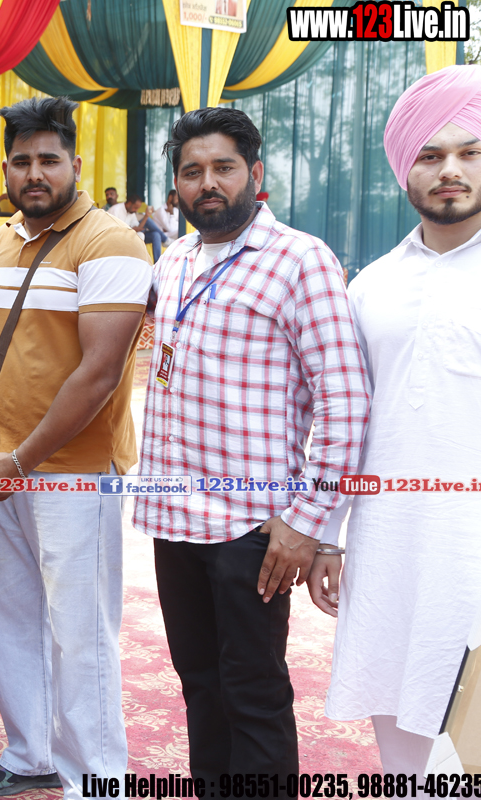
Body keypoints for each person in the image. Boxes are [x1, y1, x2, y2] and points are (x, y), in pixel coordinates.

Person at [132, 106, 370, 785]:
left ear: (255, 174)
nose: (207, 183)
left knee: (253, 694)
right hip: (173, 519)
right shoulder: (174, 260)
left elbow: (345, 399)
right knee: (199, 686)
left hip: (252, 529)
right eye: (192, 171)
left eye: (224, 167)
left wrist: (308, 521)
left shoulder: (300, 260)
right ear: (176, 186)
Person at [0, 97, 150, 798]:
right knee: (10, 614)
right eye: (22, 161)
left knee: (81, 631)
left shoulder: (111, 243)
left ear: (76, 165)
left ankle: (98, 778)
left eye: (49, 160)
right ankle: (31, 754)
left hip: (72, 472)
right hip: (0, 465)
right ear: (4, 168)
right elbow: (18, 338)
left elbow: (99, 372)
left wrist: (21, 460)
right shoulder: (4, 239)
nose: (35, 173)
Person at [320, 64, 481, 776]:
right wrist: (327, 533)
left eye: (470, 151)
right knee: (398, 733)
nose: (449, 169)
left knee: (475, 745)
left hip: (477, 547)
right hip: (389, 542)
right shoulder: (373, 285)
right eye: (430, 154)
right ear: (405, 170)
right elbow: (345, 419)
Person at [109, 193, 169, 259]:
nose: (136, 210)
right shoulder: (116, 210)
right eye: (135, 208)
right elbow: (114, 230)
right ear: (129, 203)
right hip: (116, 237)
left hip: (129, 235)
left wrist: (146, 215)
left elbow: (138, 227)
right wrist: (132, 229)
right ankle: (166, 240)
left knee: (155, 235)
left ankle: (157, 262)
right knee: (142, 233)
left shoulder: (131, 212)